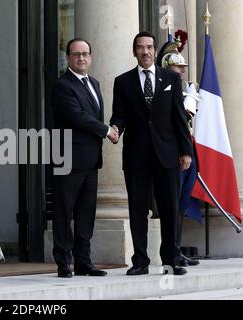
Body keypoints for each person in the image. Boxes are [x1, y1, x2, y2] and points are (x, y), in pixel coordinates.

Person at [110, 31, 193, 276]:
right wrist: (115, 129)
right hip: (136, 155)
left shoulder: (171, 79)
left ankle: (171, 259)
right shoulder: (122, 81)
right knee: (137, 209)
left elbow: (179, 117)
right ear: (134, 51)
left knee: (169, 208)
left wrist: (185, 151)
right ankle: (140, 261)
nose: (145, 51)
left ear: (155, 51)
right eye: (140, 47)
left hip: (167, 154)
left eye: (149, 47)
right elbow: (120, 115)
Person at [51, 38, 119, 278]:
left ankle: (83, 262)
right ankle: (63, 263)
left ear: (91, 57)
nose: (81, 58)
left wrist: (112, 128)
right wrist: (106, 130)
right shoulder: (62, 85)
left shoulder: (94, 83)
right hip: (67, 158)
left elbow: (92, 114)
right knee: (63, 212)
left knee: (85, 214)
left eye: (85, 54)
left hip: (90, 160)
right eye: (76, 54)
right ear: (68, 57)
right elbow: (76, 116)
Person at [157, 38, 200, 267]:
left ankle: (177, 249)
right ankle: (170, 251)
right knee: (171, 202)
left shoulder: (186, 89)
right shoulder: (164, 91)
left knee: (182, 202)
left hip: (188, 151)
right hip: (172, 153)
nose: (182, 70)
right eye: (177, 66)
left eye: (183, 67)